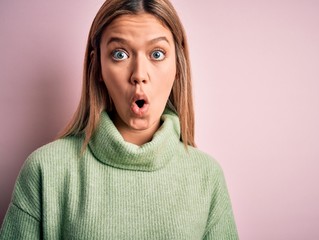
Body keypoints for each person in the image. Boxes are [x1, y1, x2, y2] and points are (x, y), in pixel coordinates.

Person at [0, 0, 239, 239]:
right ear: (98, 67)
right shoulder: (45, 171)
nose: (139, 75)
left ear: (177, 64)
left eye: (157, 54)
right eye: (120, 54)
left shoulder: (206, 176)